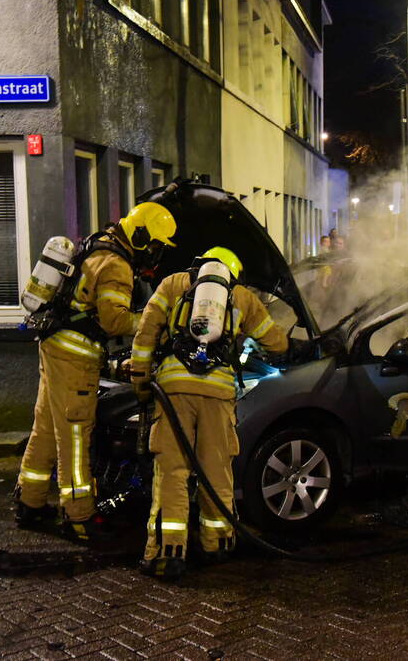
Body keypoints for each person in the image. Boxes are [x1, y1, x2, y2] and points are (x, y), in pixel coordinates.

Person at [14, 201, 178, 541]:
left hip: (54, 346)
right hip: (75, 357)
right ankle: (78, 516)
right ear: (143, 235)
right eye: (156, 245)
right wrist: (154, 323)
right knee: (74, 436)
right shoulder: (116, 265)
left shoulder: (100, 243)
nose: (156, 254)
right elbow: (114, 320)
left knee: (45, 426)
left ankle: (28, 502)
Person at [130, 247, 289, 579]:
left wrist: (143, 385)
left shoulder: (173, 284)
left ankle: (167, 553)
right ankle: (217, 543)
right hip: (218, 391)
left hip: (172, 388)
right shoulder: (242, 297)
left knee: (172, 472)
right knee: (216, 468)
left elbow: (144, 337)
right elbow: (277, 344)